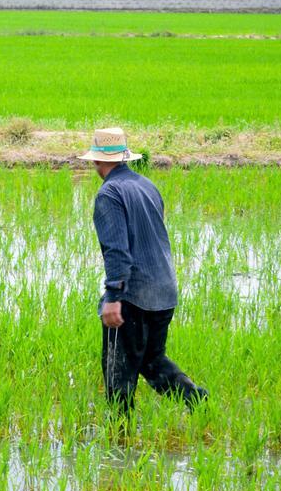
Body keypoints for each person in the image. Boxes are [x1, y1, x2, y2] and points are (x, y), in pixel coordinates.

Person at [78, 127, 207, 413]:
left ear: (98, 162)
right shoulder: (147, 185)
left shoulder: (108, 194)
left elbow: (117, 251)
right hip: (164, 290)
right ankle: (197, 401)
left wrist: (113, 298)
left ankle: (120, 441)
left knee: (118, 375)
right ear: (123, 157)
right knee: (152, 361)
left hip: (133, 296)